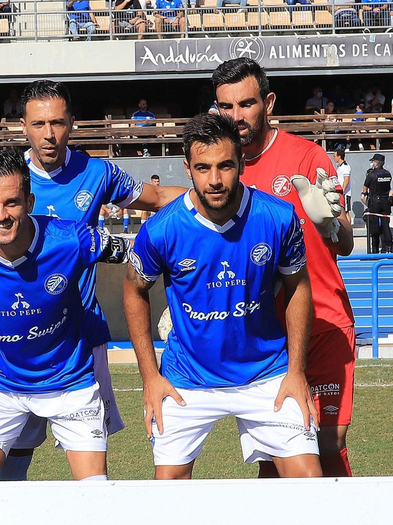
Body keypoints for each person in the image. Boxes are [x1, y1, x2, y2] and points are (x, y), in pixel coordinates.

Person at [0, 80, 178, 481]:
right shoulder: (4, 178)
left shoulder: (98, 172)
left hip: (79, 341)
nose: (48, 134)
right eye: (38, 124)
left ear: (72, 123)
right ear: (23, 126)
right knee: (12, 457)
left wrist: (217, 197)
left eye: (57, 123)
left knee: (90, 466)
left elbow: (156, 200)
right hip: (12, 349)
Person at [122, 112, 320, 479]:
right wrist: (150, 376)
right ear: (187, 168)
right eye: (203, 168)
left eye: (225, 166)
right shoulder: (161, 230)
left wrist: (297, 371)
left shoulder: (278, 217)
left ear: (242, 163)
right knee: (167, 490)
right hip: (188, 378)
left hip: (267, 372)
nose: (214, 180)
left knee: (309, 481)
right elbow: (134, 290)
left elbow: (298, 287)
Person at [0, 149, 132, 482]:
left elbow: (141, 254)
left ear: (30, 201)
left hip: (70, 382)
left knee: (96, 496)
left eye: (11, 202)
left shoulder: (71, 238)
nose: (1, 215)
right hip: (1, 385)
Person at [210, 58, 355, 478]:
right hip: (262, 335)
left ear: (268, 102)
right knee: (276, 451)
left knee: (327, 439)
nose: (235, 116)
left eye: (246, 103)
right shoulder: (219, 171)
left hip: (323, 318)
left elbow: (343, 242)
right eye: (225, 106)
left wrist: (329, 221)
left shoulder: (306, 157)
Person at [363, 153, 393, 253]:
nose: (372, 163)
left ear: (376, 163)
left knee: (374, 225)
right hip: (386, 201)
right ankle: (388, 247)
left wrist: (365, 194)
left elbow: (365, 188)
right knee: (386, 225)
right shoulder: (388, 174)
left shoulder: (372, 175)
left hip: (375, 202)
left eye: (373, 161)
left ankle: (375, 248)